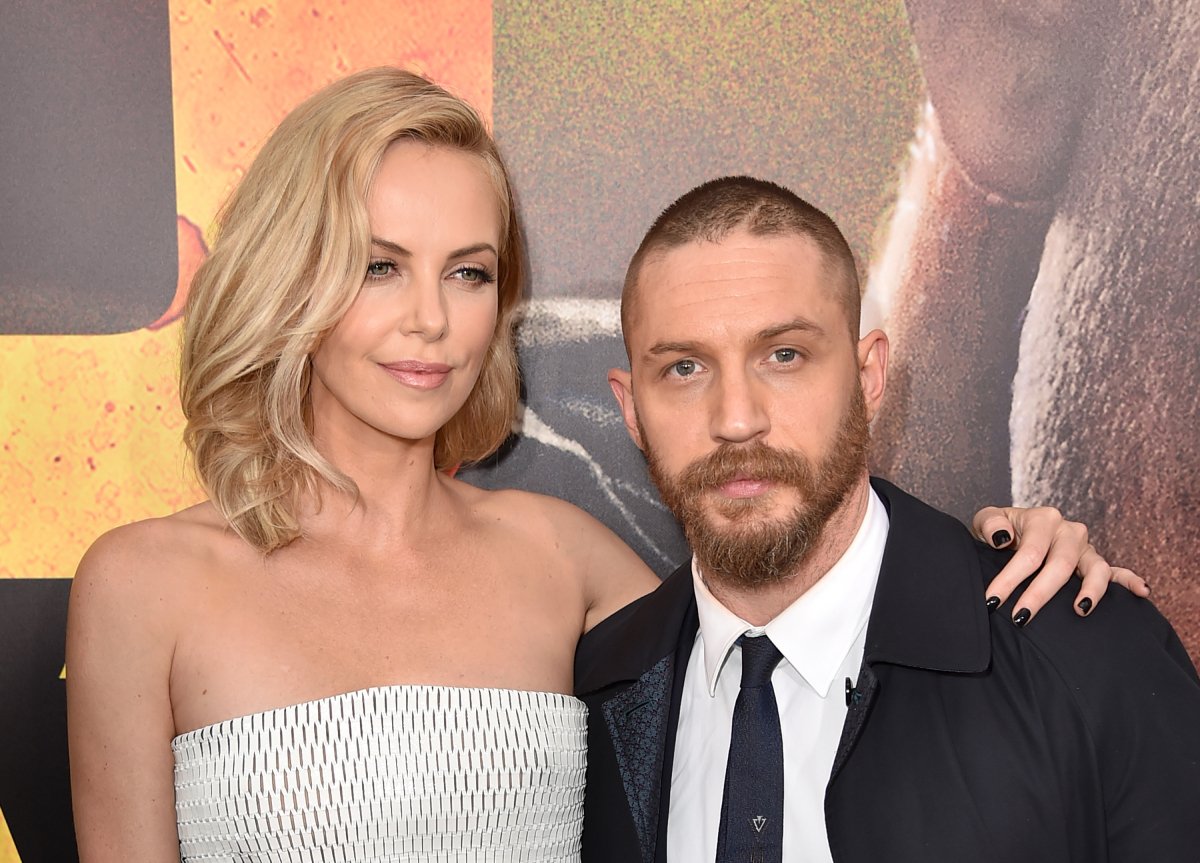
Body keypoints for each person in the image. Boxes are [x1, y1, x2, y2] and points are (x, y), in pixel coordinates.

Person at [66, 71, 1135, 862]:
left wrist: (1009, 553)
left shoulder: (569, 561)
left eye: (469, 271)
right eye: (378, 264)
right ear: (290, 273)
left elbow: (820, 634)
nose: (432, 318)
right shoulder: (144, 583)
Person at [578, 176, 1200, 863]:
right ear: (632, 410)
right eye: (685, 367)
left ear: (869, 376)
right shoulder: (586, 699)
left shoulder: (1091, 659)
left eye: (784, 355)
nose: (736, 418)